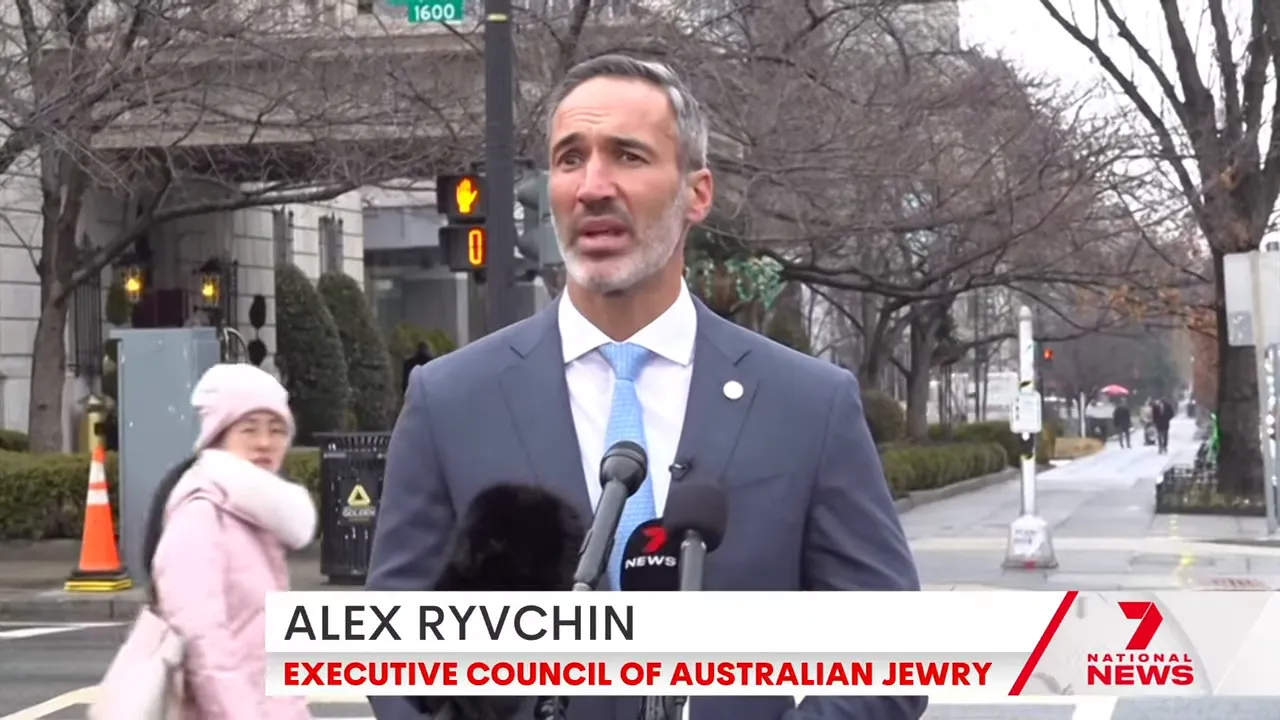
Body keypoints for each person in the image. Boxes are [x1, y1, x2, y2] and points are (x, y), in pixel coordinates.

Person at [366, 54, 924, 720]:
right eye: (570, 159)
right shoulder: (450, 400)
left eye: (628, 156)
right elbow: (395, 661)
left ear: (697, 192)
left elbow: (890, 655)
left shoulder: (810, 404)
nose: (593, 186)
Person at [148, 364, 317, 719]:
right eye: (248, 429)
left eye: (276, 430)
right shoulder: (200, 514)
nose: (264, 442)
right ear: (219, 436)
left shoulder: (256, 515)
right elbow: (203, 644)